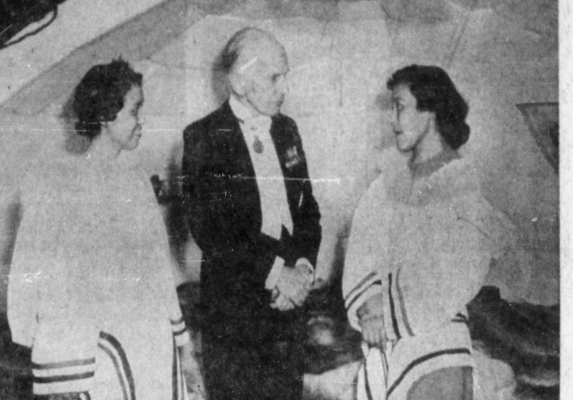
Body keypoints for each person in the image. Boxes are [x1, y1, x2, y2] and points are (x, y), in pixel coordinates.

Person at [7, 59, 189, 400]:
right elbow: (28, 273)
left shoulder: (137, 181)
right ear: (106, 115)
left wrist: (183, 344)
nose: (141, 121)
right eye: (134, 110)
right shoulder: (57, 185)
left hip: (150, 345)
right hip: (94, 357)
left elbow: (159, 269)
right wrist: (48, 359)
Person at [342, 65, 515, 400]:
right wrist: (368, 306)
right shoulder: (385, 185)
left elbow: (455, 277)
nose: (392, 120)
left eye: (400, 107)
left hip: (438, 341)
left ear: (430, 111)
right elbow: (362, 250)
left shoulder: (462, 186)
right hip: (382, 339)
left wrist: (387, 313)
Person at [181, 27, 322, 400]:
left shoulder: (287, 129)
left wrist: (303, 268)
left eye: (285, 76)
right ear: (239, 82)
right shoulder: (203, 137)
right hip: (234, 311)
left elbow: (307, 209)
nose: (285, 88)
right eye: (275, 77)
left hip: (290, 306)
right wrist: (277, 274)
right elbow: (211, 231)